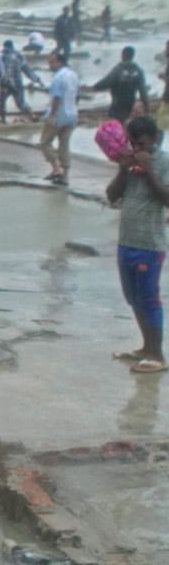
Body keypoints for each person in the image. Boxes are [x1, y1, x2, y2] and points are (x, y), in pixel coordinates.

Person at [107, 116, 169, 373]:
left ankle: (157, 354)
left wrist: (150, 170)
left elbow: (166, 199)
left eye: (143, 144)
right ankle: (146, 347)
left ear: (155, 139)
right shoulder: (130, 163)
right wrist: (124, 169)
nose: (138, 149)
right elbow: (112, 195)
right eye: (134, 144)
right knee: (132, 297)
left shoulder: (163, 162)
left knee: (148, 297)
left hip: (149, 243)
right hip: (126, 241)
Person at [41, 50, 79, 185]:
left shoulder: (58, 77)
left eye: (52, 62)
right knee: (64, 144)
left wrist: (52, 115)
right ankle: (65, 175)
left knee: (45, 142)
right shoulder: (73, 75)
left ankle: (56, 169)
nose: (50, 65)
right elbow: (76, 95)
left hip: (59, 114)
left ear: (59, 62)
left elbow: (57, 97)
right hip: (72, 114)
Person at [92, 46, 150, 123]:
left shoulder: (119, 69)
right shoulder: (138, 70)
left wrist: (95, 87)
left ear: (122, 55)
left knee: (116, 125)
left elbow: (107, 81)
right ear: (133, 56)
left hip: (117, 104)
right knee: (128, 124)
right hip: (130, 103)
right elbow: (143, 91)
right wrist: (146, 105)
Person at [0, 39, 41, 122]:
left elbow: (1, 71)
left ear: (5, 47)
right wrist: (36, 79)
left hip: (6, 84)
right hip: (18, 83)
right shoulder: (19, 56)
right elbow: (27, 69)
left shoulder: (3, 57)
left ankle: (3, 120)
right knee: (21, 103)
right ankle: (32, 115)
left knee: (2, 102)